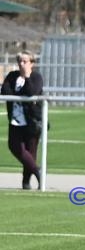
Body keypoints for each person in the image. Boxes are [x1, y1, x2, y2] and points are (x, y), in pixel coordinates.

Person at [1, 50, 43, 190]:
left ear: (32, 63)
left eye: (25, 61)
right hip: (15, 120)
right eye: (20, 61)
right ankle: (38, 172)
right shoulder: (12, 76)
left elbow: (32, 92)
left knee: (31, 152)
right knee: (15, 147)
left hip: (32, 121)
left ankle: (26, 183)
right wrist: (19, 93)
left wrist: (26, 77)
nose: (22, 64)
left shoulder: (36, 77)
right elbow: (5, 91)